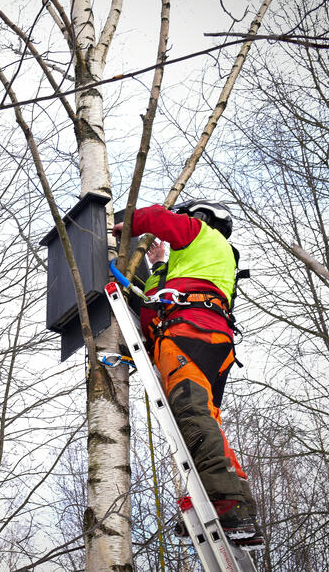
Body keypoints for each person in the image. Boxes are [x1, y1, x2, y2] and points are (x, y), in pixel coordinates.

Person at [113, 199, 263, 549]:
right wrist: (157, 265)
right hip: (206, 337)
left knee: (192, 415)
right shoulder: (204, 259)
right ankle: (232, 501)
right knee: (203, 418)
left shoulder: (202, 233)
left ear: (199, 217)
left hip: (189, 334)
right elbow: (155, 300)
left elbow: (156, 218)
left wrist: (129, 225)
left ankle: (228, 505)